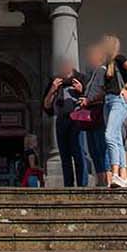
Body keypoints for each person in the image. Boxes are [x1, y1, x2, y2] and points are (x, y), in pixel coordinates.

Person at [85, 35, 127, 189]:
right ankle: (123, 176)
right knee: (116, 139)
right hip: (108, 102)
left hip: (119, 101)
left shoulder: (119, 59)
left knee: (109, 135)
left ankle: (115, 174)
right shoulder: (107, 65)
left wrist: (126, 87)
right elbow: (105, 90)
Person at [42, 59, 87, 188]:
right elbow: (46, 105)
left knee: (79, 152)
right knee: (65, 155)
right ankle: (68, 186)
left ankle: (82, 185)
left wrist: (81, 90)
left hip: (78, 118)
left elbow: (90, 99)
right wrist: (52, 89)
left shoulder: (81, 78)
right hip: (61, 119)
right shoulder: (55, 81)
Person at [78, 44, 110, 185]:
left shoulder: (102, 72)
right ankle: (100, 181)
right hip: (90, 114)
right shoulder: (93, 74)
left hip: (98, 113)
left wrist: (88, 100)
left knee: (101, 147)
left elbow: (104, 92)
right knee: (93, 149)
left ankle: (107, 181)